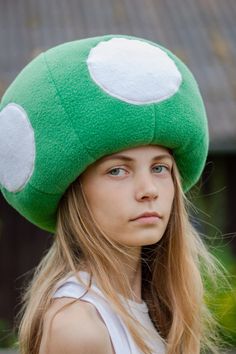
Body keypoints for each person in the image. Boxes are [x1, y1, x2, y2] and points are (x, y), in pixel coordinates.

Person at [0, 34, 223, 353]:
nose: (148, 191)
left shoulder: (154, 307)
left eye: (159, 168)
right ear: (75, 191)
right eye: (118, 170)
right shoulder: (78, 327)